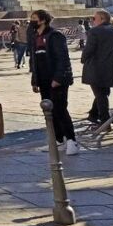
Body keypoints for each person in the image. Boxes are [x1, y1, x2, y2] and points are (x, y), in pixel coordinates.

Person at [29, 10, 78, 155]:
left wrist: (58, 78)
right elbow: (34, 61)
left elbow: (62, 58)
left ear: (43, 20)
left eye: (34, 19)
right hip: (43, 80)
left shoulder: (55, 35)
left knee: (60, 109)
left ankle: (71, 141)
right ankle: (58, 139)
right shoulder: (35, 36)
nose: (31, 21)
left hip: (56, 80)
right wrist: (34, 80)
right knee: (49, 111)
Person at [82, 9, 113, 130]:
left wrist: (83, 59)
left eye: (94, 18)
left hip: (96, 68)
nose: (93, 20)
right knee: (103, 93)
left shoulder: (95, 32)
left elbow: (89, 49)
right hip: (112, 67)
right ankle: (93, 115)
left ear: (102, 19)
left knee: (100, 94)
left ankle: (104, 122)